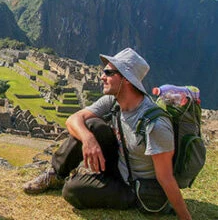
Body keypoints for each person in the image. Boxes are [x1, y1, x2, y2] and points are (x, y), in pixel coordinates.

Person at [23, 48, 191, 220]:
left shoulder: (155, 125)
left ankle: (93, 185)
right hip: (118, 165)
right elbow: (73, 119)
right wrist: (88, 139)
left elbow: (166, 178)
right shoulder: (113, 101)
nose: (102, 76)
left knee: (72, 191)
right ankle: (55, 175)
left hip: (134, 186)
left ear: (126, 79)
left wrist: (184, 216)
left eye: (109, 73)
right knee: (90, 125)